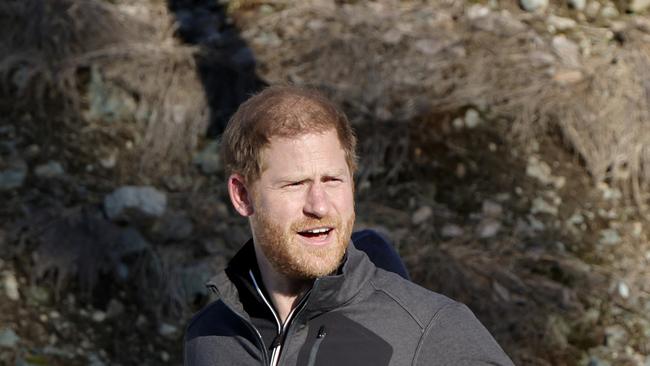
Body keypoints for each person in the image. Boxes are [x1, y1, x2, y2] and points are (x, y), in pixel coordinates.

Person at [184, 85, 514, 366]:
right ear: (242, 195)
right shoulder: (208, 338)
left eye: (332, 180)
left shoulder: (432, 330)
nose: (320, 205)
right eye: (295, 184)